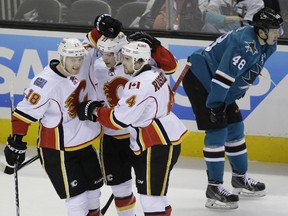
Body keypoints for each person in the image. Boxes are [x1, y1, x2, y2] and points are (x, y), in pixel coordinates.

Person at [182, 7, 283, 209]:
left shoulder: (268, 44)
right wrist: (216, 105)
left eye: (278, 29)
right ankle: (214, 187)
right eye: (273, 30)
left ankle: (239, 178)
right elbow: (223, 76)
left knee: (235, 127)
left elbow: (249, 69)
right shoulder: (243, 44)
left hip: (220, 85)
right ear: (261, 30)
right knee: (217, 129)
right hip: (202, 80)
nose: (277, 34)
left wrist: (237, 91)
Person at [77, 41, 189, 216]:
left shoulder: (138, 85)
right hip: (161, 138)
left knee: (151, 198)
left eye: (128, 59)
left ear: (139, 62)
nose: (124, 62)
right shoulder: (154, 71)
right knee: (155, 194)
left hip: (155, 143)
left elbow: (118, 120)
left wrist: (94, 111)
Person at [4, 38, 104, 216]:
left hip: (84, 144)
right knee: (77, 200)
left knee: (94, 194)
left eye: (80, 59)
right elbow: (23, 114)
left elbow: (93, 39)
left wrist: (101, 27)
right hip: (59, 150)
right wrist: (17, 141)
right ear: (62, 57)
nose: (77, 64)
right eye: (72, 60)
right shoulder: (45, 84)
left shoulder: (83, 57)